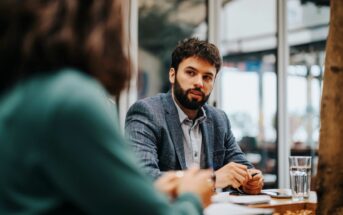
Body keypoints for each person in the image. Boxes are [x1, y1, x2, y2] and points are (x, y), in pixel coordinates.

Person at [0, 1, 214, 214]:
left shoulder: (22, 94)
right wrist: (192, 197)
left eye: (207, 77)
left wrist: (146, 193)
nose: (199, 83)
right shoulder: (72, 99)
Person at [125, 38, 264, 194]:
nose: (199, 83)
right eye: (191, 72)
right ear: (172, 75)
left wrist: (250, 181)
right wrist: (212, 179)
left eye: (207, 77)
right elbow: (143, 178)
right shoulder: (147, 112)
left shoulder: (219, 119)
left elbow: (242, 166)